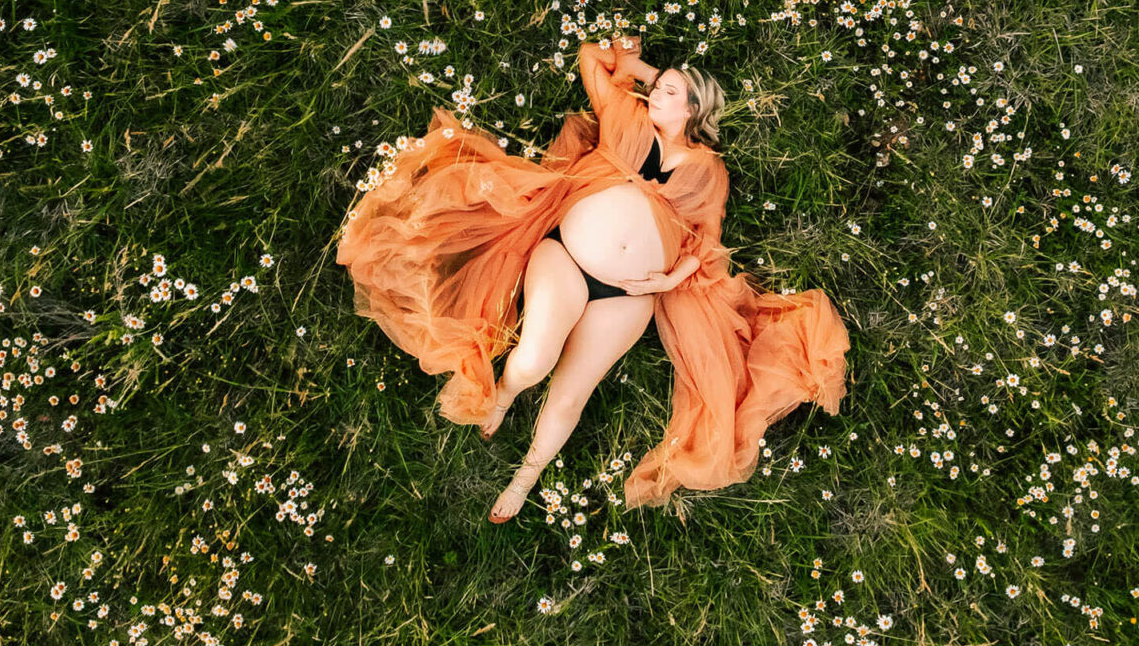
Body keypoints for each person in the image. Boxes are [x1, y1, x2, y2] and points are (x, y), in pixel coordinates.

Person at [333, 35, 850, 521]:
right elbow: (589, 57)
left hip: (630, 297)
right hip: (568, 257)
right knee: (534, 360)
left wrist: (667, 285)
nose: (654, 94)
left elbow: (707, 241)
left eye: (669, 92)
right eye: (655, 87)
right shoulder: (625, 115)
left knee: (571, 392)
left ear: (692, 108)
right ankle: (508, 394)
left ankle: (526, 475)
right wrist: (652, 73)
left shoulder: (708, 170)